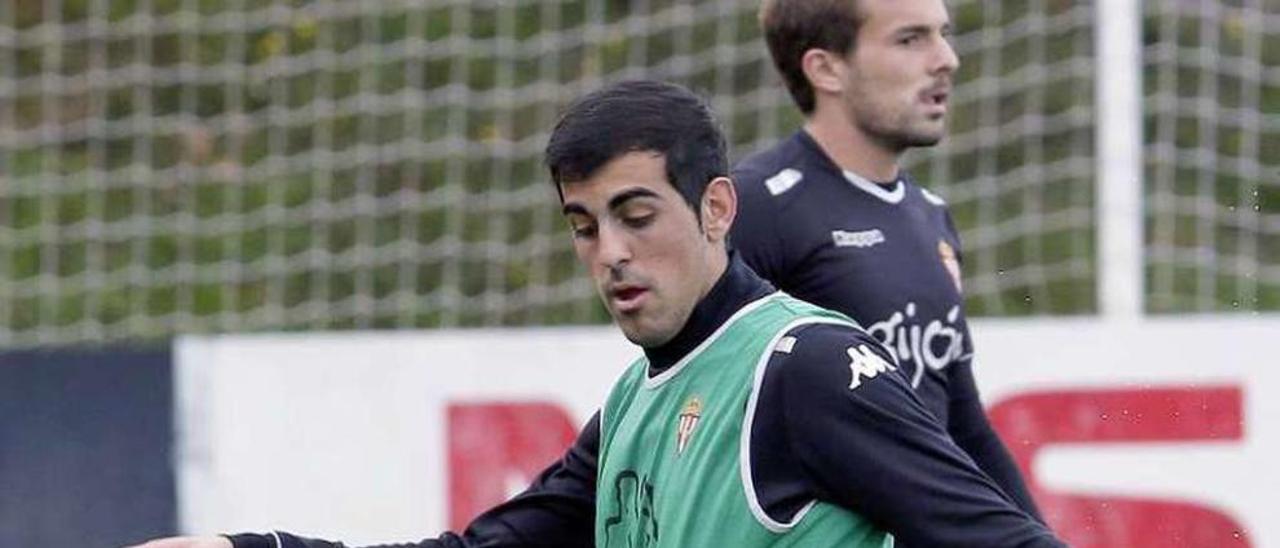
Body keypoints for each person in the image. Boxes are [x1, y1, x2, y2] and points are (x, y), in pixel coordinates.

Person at [130, 81, 1062, 548]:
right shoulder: (630, 408)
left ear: (718, 209)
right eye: (583, 226)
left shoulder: (805, 369)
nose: (608, 251)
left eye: (635, 215)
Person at [730, 0, 1046, 525]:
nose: (947, 59)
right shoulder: (757, 208)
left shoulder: (930, 215)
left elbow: (961, 424)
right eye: (910, 39)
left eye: (943, 35)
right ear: (826, 68)